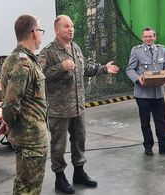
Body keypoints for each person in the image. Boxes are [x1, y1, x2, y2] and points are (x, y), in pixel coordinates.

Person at [39, 15, 119, 194]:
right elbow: (39, 74)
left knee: (79, 140)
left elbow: (84, 69)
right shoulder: (48, 51)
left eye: (72, 26)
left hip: (78, 106)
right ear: (57, 30)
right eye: (66, 26)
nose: (71, 29)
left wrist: (104, 69)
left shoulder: (75, 47)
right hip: (59, 109)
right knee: (59, 145)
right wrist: (61, 67)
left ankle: (79, 172)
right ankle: (60, 177)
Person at [0, 14, 47, 195]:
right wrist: (10, 123)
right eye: (40, 30)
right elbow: (11, 104)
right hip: (30, 138)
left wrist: (8, 121)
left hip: (29, 135)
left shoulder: (19, 58)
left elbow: (18, 101)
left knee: (26, 185)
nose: (41, 35)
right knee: (29, 188)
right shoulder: (23, 63)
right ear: (34, 32)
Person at [126, 27, 165, 156]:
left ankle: (164, 148)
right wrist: (138, 79)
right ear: (142, 38)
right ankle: (148, 147)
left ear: (155, 37)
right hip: (142, 93)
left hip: (158, 93)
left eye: (151, 36)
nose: (148, 38)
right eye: (146, 36)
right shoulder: (136, 51)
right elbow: (130, 69)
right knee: (145, 123)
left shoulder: (161, 49)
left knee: (161, 122)